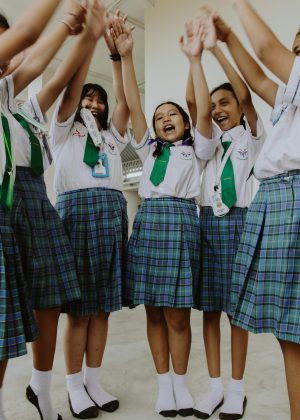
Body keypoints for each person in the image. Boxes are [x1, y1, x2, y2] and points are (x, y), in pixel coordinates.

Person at [0, 2, 109, 419]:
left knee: (48, 300)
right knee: (6, 310)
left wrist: (89, 38)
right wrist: (66, 22)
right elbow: (30, 36)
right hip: (4, 200)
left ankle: (41, 390)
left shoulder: (21, 109)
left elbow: (63, 78)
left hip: (34, 202)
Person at [110, 19, 216, 418]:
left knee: (177, 313)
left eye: (173, 114)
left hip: (182, 222)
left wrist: (195, 60)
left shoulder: (198, 149)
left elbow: (201, 107)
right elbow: (133, 104)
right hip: (150, 222)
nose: (165, 118)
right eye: (160, 117)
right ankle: (164, 385)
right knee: (153, 310)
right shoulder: (149, 149)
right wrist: (127, 54)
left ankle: (182, 382)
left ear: (185, 124)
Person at [214, 1, 300, 419]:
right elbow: (260, 79)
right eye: (294, 49)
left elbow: (267, 53)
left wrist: (234, 11)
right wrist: (226, 39)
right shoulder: (289, 100)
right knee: (290, 330)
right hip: (276, 196)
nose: (295, 57)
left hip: (294, 192)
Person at [50, 10, 129, 419]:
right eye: (89, 97)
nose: (94, 103)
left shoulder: (113, 135)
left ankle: (94, 381)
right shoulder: (64, 126)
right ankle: (73, 385)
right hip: (77, 213)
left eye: (98, 100)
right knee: (79, 309)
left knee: (102, 307)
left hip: (112, 212)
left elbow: (124, 101)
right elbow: (69, 93)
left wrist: (117, 58)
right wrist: (91, 41)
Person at [185, 12, 265, 420]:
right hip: (207, 223)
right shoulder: (206, 143)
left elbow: (250, 98)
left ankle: (237, 389)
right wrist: (194, 58)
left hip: (241, 222)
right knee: (210, 309)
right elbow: (193, 105)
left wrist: (216, 49)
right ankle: (214, 386)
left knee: (237, 310)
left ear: (238, 106)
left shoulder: (250, 136)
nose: (217, 110)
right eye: (214, 105)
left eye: (225, 102)